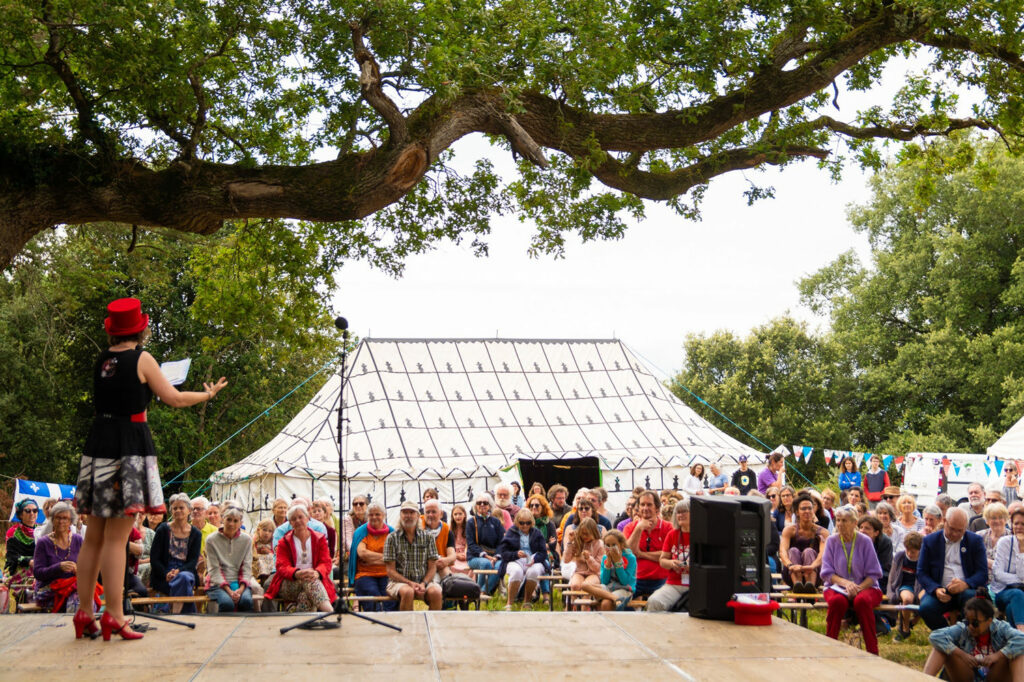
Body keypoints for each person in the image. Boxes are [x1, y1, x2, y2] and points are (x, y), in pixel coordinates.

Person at [71, 298, 227, 642]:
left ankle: (84, 611)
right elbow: (172, 398)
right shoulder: (142, 358)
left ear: (113, 328)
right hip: (129, 446)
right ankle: (114, 614)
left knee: (94, 535)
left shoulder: (103, 360)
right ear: (141, 329)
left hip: (98, 444)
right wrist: (207, 396)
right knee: (117, 538)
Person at [820, 506, 885, 655]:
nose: (840, 524)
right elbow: (827, 573)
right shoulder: (832, 540)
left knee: (861, 602)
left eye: (844, 521)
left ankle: (872, 651)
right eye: (838, 520)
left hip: (866, 586)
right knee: (837, 602)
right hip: (836, 586)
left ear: (854, 523)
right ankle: (830, 649)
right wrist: (846, 584)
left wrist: (857, 588)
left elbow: (874, 574)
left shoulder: (865, 541)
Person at [918, 507, 989, 630]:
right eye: (952, 529)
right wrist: (935, 589)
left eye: (960, 531)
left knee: (971, 601)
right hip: (941, 591)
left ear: (966, 527)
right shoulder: (930, 541)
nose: (955, 534)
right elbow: (921, 572)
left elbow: (982, 573)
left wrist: (966, 584)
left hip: (967, 591)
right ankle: (947, 636)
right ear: (944, 521)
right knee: (926, 608)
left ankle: (967, 635)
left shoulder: (975, 541)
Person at [924, 596, 1024, 681]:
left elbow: (1021, 639)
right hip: (968, 676)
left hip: (995, 676)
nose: (970, 626)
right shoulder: (963, 628)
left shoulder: (1001, 628)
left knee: (1018, 653)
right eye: (968, 622)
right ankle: (923, 679)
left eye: (975, 623)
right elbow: (935, 636)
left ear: (989, 621)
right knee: (940, 647)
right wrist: (962, 655)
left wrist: (998, 655)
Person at [265, 505, 334, 612]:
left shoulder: (319, 539)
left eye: (300, 517)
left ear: (307, 518)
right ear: (290, 523)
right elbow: (281, 566)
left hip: (314, 579)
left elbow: (326, 562)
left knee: (305, 596)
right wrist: (297, 573)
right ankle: (330, 612)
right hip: (289, 583)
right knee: (310, 582)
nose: (297, 521)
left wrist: (317, 573)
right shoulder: (284, 542)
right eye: (293, 519)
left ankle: (302, 620)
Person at [33, 502, 96, 613]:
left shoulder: (78, 540)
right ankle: (75, 627)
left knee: (85, 598)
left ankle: (84, 626)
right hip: (49, 589)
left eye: (65, 518)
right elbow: (38, 573)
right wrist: (58, 567)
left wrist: (79, 570)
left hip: (73, 587)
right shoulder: (43, 542)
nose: (61, 521)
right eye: (58, 518)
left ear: (71, 521)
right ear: (52, 519)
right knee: (78, 600)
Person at [384, 501, 442, 610]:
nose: (408, 516)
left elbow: (432, 567)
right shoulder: (392, 538)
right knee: (408, 592)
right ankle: (408, 626)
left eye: (412, 512)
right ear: (400, 515)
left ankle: (432, 625)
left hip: (423, 581)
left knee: (436, 592)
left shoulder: (428, 537)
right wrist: (409, 583)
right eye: (405, 512)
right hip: (399, 582)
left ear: (418, 516)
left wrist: (423, 583)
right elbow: (390, 571)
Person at [150, 493, 202, 614]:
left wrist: (178, 571)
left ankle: (174, 612)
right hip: (163, 572)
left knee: (183, 577)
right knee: (183, 583)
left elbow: (193, 561)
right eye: (175, 508)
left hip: (186, 570)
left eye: (181, 507)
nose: (178, 510)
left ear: (189, 510)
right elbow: (154, 558)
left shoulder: (195, 533)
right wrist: (166, 573)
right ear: (171, 511)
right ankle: (187, 614)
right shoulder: (163, 529)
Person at [205, 506, 256, 612]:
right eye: (228, 519)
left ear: (241, 523)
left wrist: (240, 589)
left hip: (240, 582)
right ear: (223, 519)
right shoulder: (211, 540)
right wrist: (229, 591)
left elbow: (247, 567)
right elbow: (214, 569)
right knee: (227, 603)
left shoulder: (246, 540)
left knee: (246, 601)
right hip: (217, 583)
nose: (231, 524)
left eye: (235, 521)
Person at [624, 490, 672, 599]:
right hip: (635, 579)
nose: (645, 508)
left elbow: (667, 555)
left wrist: (641, 554)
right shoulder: (630, 528)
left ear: (657, 508)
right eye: (642, 504)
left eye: (649, 504)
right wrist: (638, 528)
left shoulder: (668, 528)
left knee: (664, 604)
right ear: (638, 508)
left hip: (662, 580)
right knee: (618, 601)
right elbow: (627, 553)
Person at [497, 508, 549, 610]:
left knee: (533, 572)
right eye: (522, 523)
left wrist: (535, 559)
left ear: (532, 522)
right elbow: (503, 553)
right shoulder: (511, 532)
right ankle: (509, 603)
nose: (525, 525)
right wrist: (516, 554)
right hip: (515, 560)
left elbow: (543, 553)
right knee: (516, 572)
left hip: (533, 559)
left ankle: (527, 602)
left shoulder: (537, 533)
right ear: (517, 522)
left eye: (528, 523)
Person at [350, 502, 395, 612]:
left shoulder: (391, 532)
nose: (374, 517)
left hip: (387, 574)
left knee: (390, 595)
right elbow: (363, 554)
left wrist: (372, 560)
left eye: (377, 514)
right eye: (371, 515)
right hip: (365, 574)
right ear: (367, 516)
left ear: (384, 515)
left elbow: (396, 556)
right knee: (371, 593)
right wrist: (387, 559)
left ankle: (390, 620)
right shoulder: (361, 532)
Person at [779, 494, 830, 592]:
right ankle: (797, 584)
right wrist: (790, 565)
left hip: (814, 571)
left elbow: (823, 554)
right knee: (793, 551)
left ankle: (810, 584)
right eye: (803, 509)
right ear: (797, 512)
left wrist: (812, 566)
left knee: (809, 551)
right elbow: (783, 551)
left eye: (810, 508)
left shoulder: (823, 532)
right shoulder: (790, 530)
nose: (807, 511)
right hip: (792, 572)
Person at [648, 500, 691, 612]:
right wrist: (672, 563)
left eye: (684, 511)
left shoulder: (702, 534)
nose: (681, 515)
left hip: (697, 585)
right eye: (678, 512)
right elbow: (662, 560)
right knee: (654, 601)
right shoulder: (672, 534)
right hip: (674, 584)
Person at [579, 529, 636, 611]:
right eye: (607, 545)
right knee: (584, 585)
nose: (610, 548)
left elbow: (625, 582)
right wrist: (608, 563)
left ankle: (614, 600)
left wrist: (617, 563)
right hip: (608, 588)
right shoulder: (605, 558)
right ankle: (615, 598)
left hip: (624, 589)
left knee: (606, 603)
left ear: (621, 544)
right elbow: (604, 581)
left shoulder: (630, 558)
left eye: (614, 545)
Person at [992, 508, 1024, 631]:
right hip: (1003, 592)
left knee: (1012, 608)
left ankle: (1016, 640)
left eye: (1023, 524)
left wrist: (1021, 549)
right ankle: (1022, 635)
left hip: (1020, 595)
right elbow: (998, 574)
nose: (1019, 527)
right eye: (1016, 523)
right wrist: (1020, 580)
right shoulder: (1004, 542)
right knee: (1017, 594)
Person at [466, 493, 504, 596]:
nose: (482, 504)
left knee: (501, 565)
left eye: (485, 503)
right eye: (479, 503)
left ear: (490, 506)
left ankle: (483, 591)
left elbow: (502, 543)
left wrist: (496, 557)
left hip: (494, 556)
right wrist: (486, 556)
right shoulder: (470, 522)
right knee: (485, 563)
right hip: (474, 557)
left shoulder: (496, 522)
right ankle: (477, 590)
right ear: (475, 506)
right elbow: (471, 544)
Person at [889, 531, 924, 642]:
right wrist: (893, 592)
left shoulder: (924, 558)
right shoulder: (900, 557)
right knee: (908, 599)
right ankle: (905, 629)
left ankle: (913, 621)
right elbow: (893, 577)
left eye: (913, 552)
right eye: (907, 550)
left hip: (921, 585)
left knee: (926, 600)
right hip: (905, 585)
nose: (909, 553)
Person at [5, 499, 39, 606]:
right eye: (28, 511)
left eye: (35, 510)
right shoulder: (13, 532)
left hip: (39, 567)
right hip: (19, 568)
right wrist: (29, 561)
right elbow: (12, 556)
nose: (32, 514)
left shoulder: (42, 531)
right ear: (20, 514)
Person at [562, 518, 604, 594]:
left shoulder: (599, 544)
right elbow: (566, 560)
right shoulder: (577, 541)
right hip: (579, 572)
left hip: (594, 574)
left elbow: (598, 568)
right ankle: (573, 605)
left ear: (593, 532)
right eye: (582, 533)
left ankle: (585, 605)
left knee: (587, 586)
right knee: (575, 585)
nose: (584, 536)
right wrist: (570, 542)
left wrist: (588, 559)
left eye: (587, 534)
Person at [421, 499, 456, 579]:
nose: (430, 515)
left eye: (433, 512)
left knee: (446, 572)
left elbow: (452, 555)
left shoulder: (447, 530)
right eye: (427, 512)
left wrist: (446, 560)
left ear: (441, 514)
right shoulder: (417, 527)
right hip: (421, 567)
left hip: (440, 565)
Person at [979, 502, 1011, 584]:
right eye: (993, 518)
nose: (997, 521)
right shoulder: (979, 536)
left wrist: (983, 560)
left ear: (1006, 519)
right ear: (987, 521)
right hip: (981, 582)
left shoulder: (1013, 538)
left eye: (1000, 517)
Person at [341, 494, 368, 564]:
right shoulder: (348, 519)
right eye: (355, 504)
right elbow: (348, 542)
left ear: (367, 506)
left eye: (361, 504)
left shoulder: (371, 518)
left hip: (368, 552)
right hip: (352, 554)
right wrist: (359, 553)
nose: (358, 506)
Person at [449, 504, 473, 576]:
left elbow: (468, 543)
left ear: (464, 515)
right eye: (455, 514)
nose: (458, 516)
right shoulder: (449, 528)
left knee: (469, 567)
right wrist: (456, 555)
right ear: (452, 516)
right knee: (453, 566)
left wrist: (465, 554)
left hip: (466, 552)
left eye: (460, 514)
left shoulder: (468, 527)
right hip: (454, 553)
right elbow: (449, 546)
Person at [252, 519, 276, 586]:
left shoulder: (272, 542)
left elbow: (276, 553)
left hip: (269, 564)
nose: (267, 533)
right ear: (259, 530)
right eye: (264, 530)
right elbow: (252, 551)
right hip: (258, 563)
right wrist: (258, 551)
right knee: (259, 559)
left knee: (270, 557)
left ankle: (268, 577)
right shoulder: (255, 541)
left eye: (270, 531)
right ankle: (260, 578)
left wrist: (269, 551)